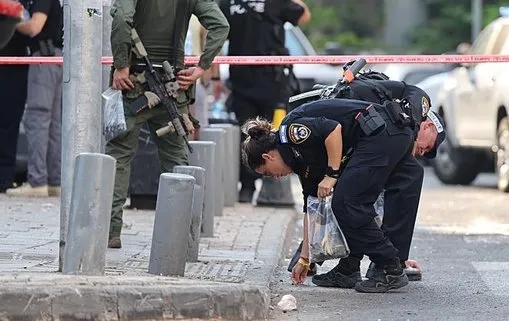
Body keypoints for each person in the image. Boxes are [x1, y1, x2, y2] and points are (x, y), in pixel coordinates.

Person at [240, 97, 445, 293]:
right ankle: (349, 270)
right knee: (346, 204)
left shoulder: (291, 133)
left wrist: (331, 174)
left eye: (267, 172)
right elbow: (312, 208)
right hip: (382, 138)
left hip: (382, 134)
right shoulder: (299, 161)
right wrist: (305, 258)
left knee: (347, 203)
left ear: (268, 156)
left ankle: (389, 267)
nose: (274, 178)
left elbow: (332, 129)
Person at [288, 69, 439, 282]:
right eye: (426, 147)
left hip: (363, 141)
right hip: (348, 137)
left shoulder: (402, 127)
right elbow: (415, 93)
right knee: (350, 199)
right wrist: (306, 254)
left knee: (409, 175)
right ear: (428, 125)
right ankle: (363, 265)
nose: (421, 152)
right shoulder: (413, 105)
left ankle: (386, 262)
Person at [106, 0, 229, 249]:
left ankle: (111, 231)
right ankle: (180, 233)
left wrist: (121, 65)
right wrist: (202, 67)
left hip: (133, 86)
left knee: (118, 158)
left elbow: (121, 19)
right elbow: (220, 25)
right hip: (173, 87)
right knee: (177, 161)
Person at [217, 0, 311, 203]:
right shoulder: (275, 2)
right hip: (271, 82)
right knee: (274, 133)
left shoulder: (228, 3)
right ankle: (271, 188)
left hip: (246, 81)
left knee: (248, 133)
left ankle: (248, 188)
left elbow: (213, 31)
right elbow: (304, 15)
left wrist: (215, 75)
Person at [6, 0, 63, 198]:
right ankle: (55, 181)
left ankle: (37, 181)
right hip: (55, 58)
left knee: (37, 119)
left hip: (43, 59)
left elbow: (34, 27)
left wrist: (9, 21)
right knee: (54, 125)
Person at [0, 0, 30, 193]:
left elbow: (33, 26)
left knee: (9, 124)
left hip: (15, 67)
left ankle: (4, 178)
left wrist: (13, 14)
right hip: (13, 66)